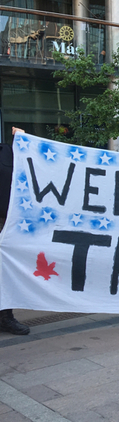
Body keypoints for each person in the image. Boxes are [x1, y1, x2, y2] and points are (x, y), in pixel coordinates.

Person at [0, 127, 30, 336]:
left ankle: (5, 317)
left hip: (5, 225)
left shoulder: (7, 153)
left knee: (4, 272)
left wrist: (25, 143)